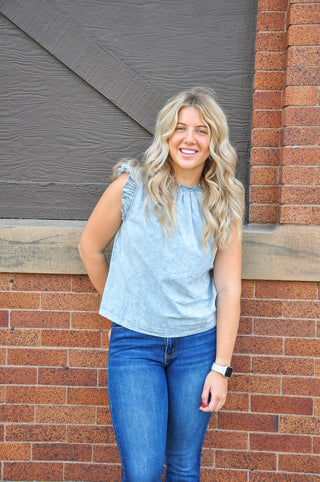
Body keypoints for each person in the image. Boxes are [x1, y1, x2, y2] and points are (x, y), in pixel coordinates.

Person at [78, 87, 244, 481]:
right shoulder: (131, 187)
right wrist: (124, 306)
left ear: (213, 141)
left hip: (196, 346)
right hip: (135, 345)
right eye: (180, 128)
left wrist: (221, 369)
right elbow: (90, 247)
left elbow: (229, 289)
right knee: (143, 471)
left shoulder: (224, 201)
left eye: (201, 131)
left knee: (185, 467)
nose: (189, 138)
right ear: (166, 135)